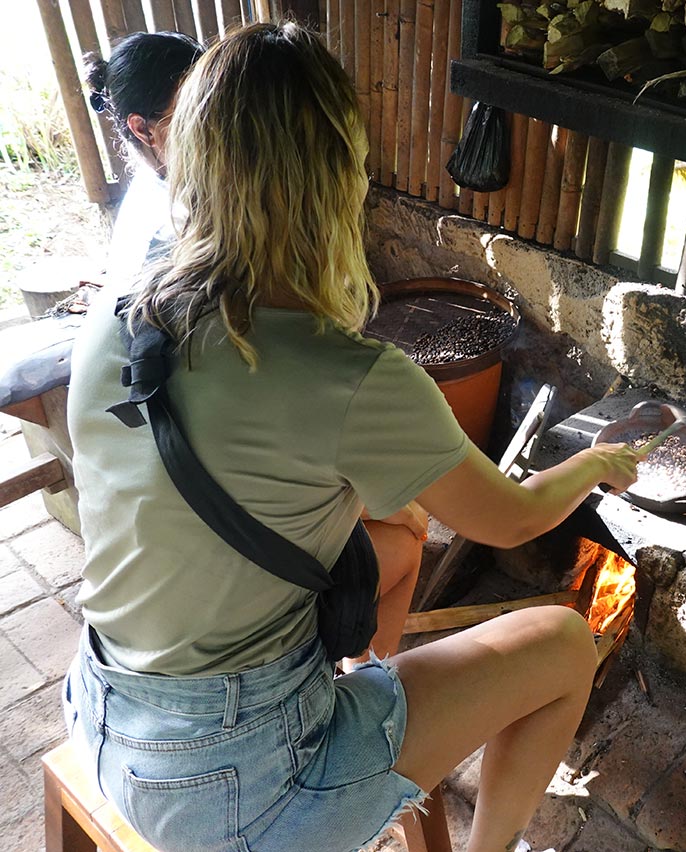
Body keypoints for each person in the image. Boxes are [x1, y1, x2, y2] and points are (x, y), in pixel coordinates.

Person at [63, 21, 641, 852]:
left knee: (398, 540)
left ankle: (356, 702)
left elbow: (223, 470)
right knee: (561, 642)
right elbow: (511, 521)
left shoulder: (116, 319)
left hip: (107, 706)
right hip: (233, 788)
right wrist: (592, 462)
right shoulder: (347, 375)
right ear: (337, 174)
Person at [84, 31, 203, 285]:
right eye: (195, 111)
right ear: (144, 129)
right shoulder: (166, 234)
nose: (219, 122)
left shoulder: (177, 182)